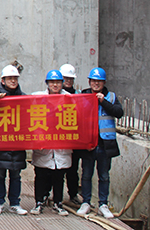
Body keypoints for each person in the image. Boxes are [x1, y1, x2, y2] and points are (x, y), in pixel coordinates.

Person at [77, 67, 123, 219]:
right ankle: (86, 202)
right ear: (89, 81)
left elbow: (119, 113)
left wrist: (103, 102)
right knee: (86, 174)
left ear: (104, 83)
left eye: (99, 81)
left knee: (104, 175)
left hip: (105, 144)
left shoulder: (111, 97)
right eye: (93, 81)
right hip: (88, 143)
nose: (96, 84)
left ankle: (103, 204)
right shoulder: (82, 96)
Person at [30, 70, 72, 216]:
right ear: (47, 83)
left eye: (58, 82)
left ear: (62, 83)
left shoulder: (70, 99)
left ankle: (58, 203)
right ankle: (39, 202)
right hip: (44, 145)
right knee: (41, 176)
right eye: (52, 82)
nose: (55, 85)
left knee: (59, 177)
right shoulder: (38, 97)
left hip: (61, 146)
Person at [0, 65, 28, 215]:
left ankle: (15, 203)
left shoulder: (23, 97)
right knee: (0, 174)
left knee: (16, 175)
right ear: (3, 81)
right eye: (10, 78)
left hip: (17, 143)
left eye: (15, 78)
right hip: (1, 144)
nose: (13, 81)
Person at [60, 63, 83, 205]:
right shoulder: (53, 95)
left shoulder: (79, 96)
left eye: (70, 79)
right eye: (65, 78)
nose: (68, 81)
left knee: (73, 169)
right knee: (56, 170)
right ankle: (53, 197)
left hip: (74, 138)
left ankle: (73, 194)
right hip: (59, 138)